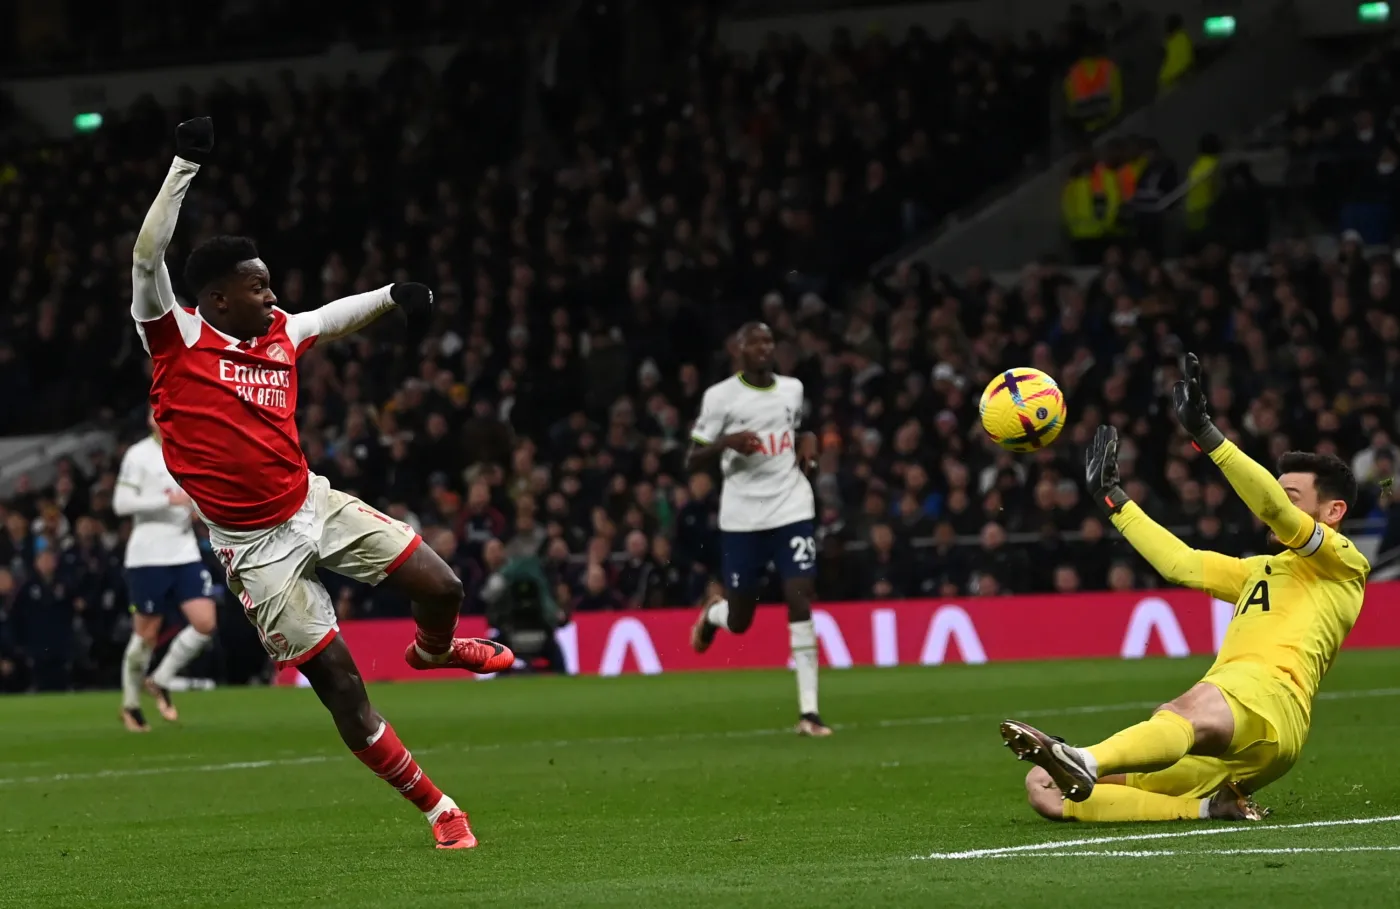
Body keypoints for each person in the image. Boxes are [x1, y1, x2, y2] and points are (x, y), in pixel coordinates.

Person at [131, 118, 513, 850]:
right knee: (342, 687)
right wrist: (183, 164)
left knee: (444, 587)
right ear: (217, 298)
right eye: (258, 286)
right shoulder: (175, 336)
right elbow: (148, 255)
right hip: (254, 550)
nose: (273, 296)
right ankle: (439, 808)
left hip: (313, 502)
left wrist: (394, 294)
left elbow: (329, 318)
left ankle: (435, 650)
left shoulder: (280, 332)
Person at [1001, 354, 1370, 823]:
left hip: (1270, 701)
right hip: (1237, 741)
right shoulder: (1259, 570)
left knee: (1184, 709)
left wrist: (1207, 435)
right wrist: (1114, 501)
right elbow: (1181, 564)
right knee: (1043, 787)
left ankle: (1086, 761)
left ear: (1333, 511)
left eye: (1291, 495)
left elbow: (1274, 510)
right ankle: (1209, 808)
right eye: (1277, 491)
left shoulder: (1343, 564)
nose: (1277, 501)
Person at [686, 322, 830, 737]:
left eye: (769, 341)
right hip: (743, 517)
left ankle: (809, 712)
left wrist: (809, 440)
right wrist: (725, 443)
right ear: (739, 349)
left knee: (799, 594)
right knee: (740, 619)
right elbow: (691, 458)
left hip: (791, 505)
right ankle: (714, 614)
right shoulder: (721, 397)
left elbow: (799, 428)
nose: (765, 348)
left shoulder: (792, 389)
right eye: (756, 342)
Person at [113, 409, 219, 731]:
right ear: (150, 419)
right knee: (146, 635)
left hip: (184, 551)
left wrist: (197, 508)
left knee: (205, 623)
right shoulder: (138, 455)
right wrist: (167, 501)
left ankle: (160, 679)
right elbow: (121, 504)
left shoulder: (188, 450)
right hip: (148, 556)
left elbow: (195, 496)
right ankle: (131, 705)